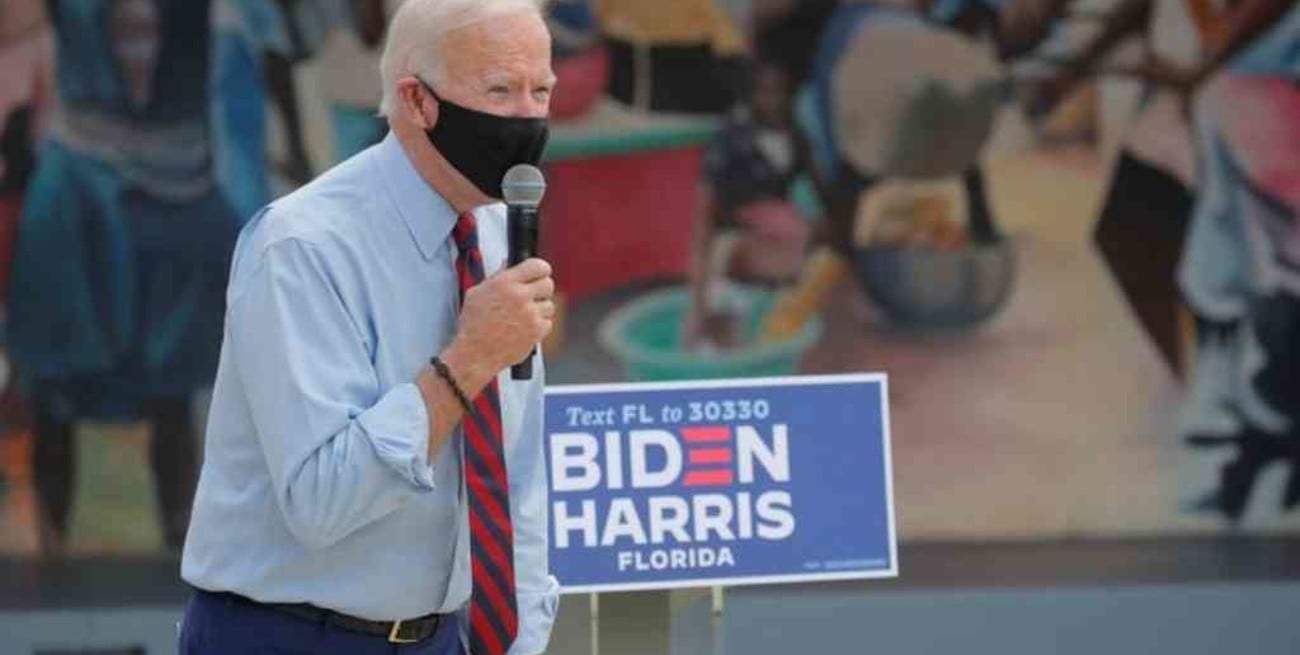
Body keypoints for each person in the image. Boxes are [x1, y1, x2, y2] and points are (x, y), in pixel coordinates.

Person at [179, 1, 560, 653]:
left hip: (443, 634)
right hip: (289, 632)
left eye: (541, 91)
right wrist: (467, 360)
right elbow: (322, 501)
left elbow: (513, 472)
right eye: (499, 91)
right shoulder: (303, 246)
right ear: (416, 101)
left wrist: (520, 638)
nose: (527, 117)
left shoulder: (499, 233)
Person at [7, 0, 246, 555]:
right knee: (53, 393)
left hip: (179, 193)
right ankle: (49, 563)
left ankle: (182, 565)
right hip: (78, 197)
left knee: (172, 396)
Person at [684, 57, 817, 350]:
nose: (773, 100)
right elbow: (706, 207)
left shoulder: (795, 136)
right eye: (764, 91)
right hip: (734, 242)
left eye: (780, 91)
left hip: (776, 246)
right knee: (720, 330)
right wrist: (700, 284)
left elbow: (814, 191)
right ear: (749, 94)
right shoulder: (731, 138)